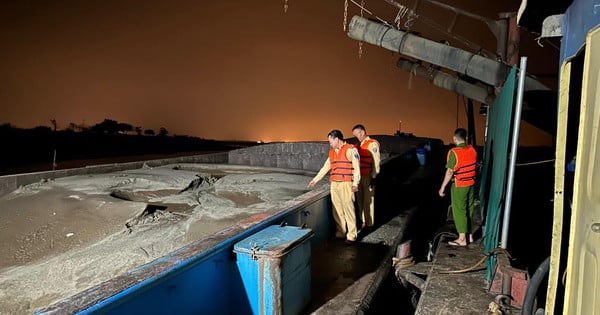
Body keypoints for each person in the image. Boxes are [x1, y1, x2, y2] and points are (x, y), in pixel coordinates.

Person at [308, 129, 361, 244]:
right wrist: (315, 180)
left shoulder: (351, 150)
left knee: (348, 209)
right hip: (335, 183)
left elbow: (357, 168)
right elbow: (326, 167)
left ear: (337, 139)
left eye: (330, 141)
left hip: (346, 183)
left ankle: (352, 235)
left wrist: (355, 183)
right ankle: (340, 232)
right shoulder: (332, 153)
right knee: (337, 209)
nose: (330, 144)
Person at [438, 128, 477, 246]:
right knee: (469, 209)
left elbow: (449, 172)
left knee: (459, 211)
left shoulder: (454, 152)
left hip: (460, 185)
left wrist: (442, 187)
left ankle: (461, 239)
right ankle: (469, 235)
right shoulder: (472, 149)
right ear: (466, 138)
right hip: (471, 184)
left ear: (455, 139)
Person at [352, 124, 381, 231]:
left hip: (368, 175)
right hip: (359, 176)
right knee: (360, 199)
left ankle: (369, 223)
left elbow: (376, 161)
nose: (357, 136)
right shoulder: (358, 145)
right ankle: (363, 220)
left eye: (358, 134)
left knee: (368, 199)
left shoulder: (372, 144)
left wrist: (374, 176)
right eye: (355, 135)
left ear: (363, 132)